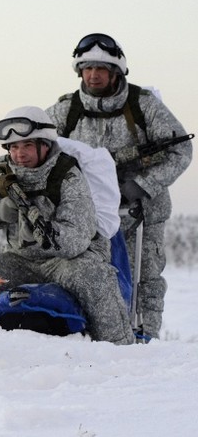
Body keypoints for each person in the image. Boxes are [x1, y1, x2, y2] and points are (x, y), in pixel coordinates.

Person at [46, 33, 192, 339]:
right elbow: (42, 151)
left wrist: (142, 184)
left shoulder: (144, 105)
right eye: (88, 68)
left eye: (102, 69)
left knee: (146, 275)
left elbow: (180, 150)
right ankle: (93, 334)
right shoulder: (65, 110)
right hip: (88, 213)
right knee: (90, 273)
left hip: (141, 211)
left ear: (116, 72)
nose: (94, 75)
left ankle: (144, 338)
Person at [0, 106, 133, 345]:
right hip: (21, 259)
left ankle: (119, 348)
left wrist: (48, 233)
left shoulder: (67, 175)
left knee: (95, 278)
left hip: (68, 261)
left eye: (27, 146)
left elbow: (79, 236)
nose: (19, 154)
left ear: (45, 145)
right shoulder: (1, 172)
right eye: (13, 147)